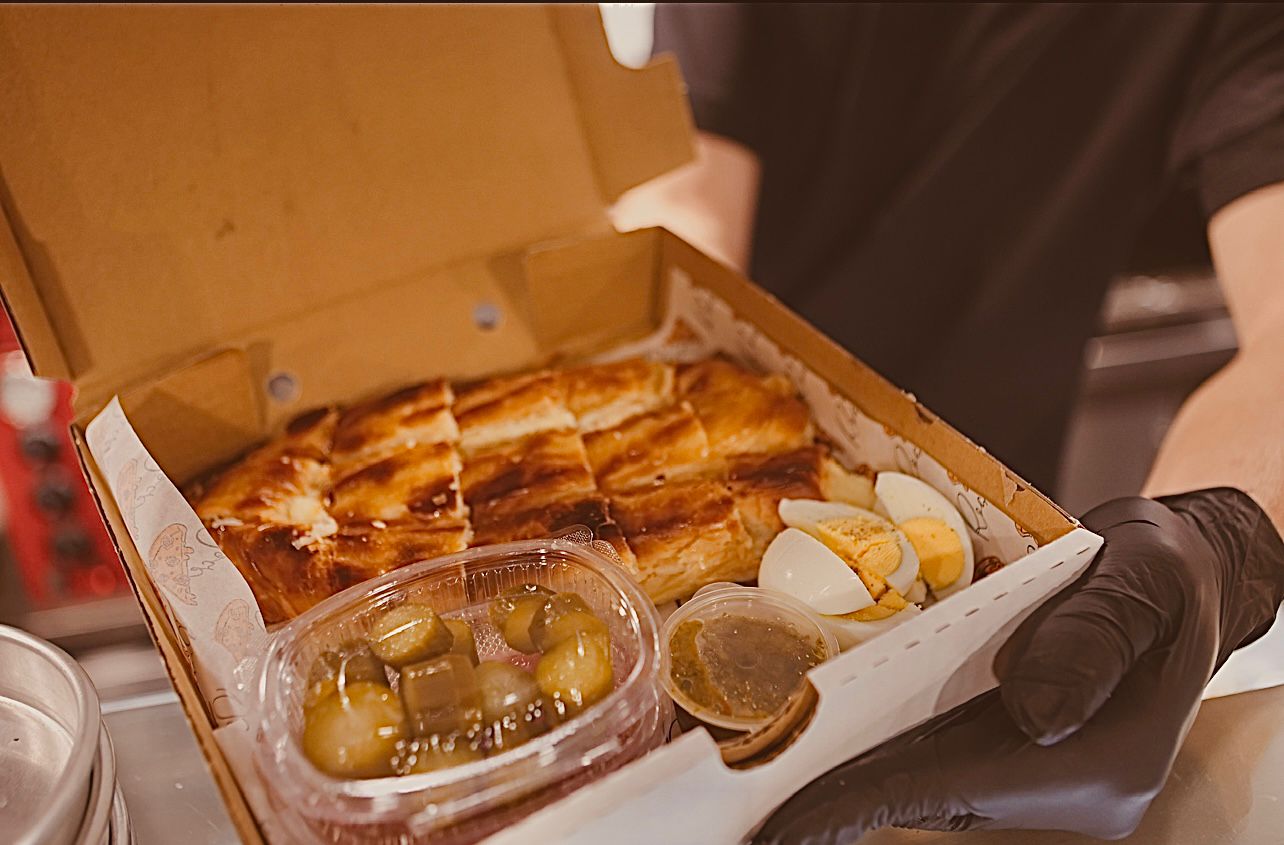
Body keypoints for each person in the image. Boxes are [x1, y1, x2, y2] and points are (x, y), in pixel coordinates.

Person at [612, 4, 1284, 841]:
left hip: (994, 559)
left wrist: (1215, 533)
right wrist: (671, 445)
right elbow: (689, 206)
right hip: (752, 464)